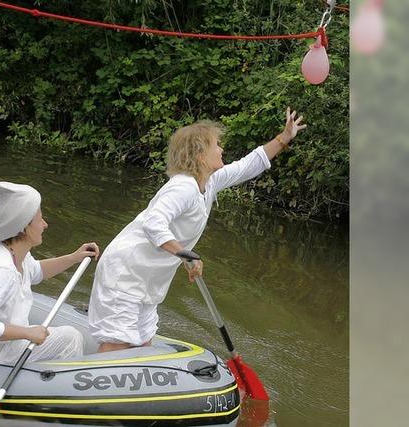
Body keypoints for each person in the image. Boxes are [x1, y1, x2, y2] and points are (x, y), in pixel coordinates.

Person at [89, 107, 307, 352]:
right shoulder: (183, 187)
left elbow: (248, 165)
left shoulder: (209, 183)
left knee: (143, 345)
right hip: (125, 273)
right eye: (216, 145)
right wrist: (184, 254)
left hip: (147, 281)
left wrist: (284, 137)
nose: (222, 149)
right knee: (117, 346)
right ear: (201, 154)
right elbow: (154, 222)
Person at [0, 147, 99, 364]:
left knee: (65, 336)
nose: (45, 224)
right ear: (23, 227)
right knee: (70, 338)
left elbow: (37, 272)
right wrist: (27, 333)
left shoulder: (13, 252)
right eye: (40, 219)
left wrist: (74, 257)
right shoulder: (2, 270)